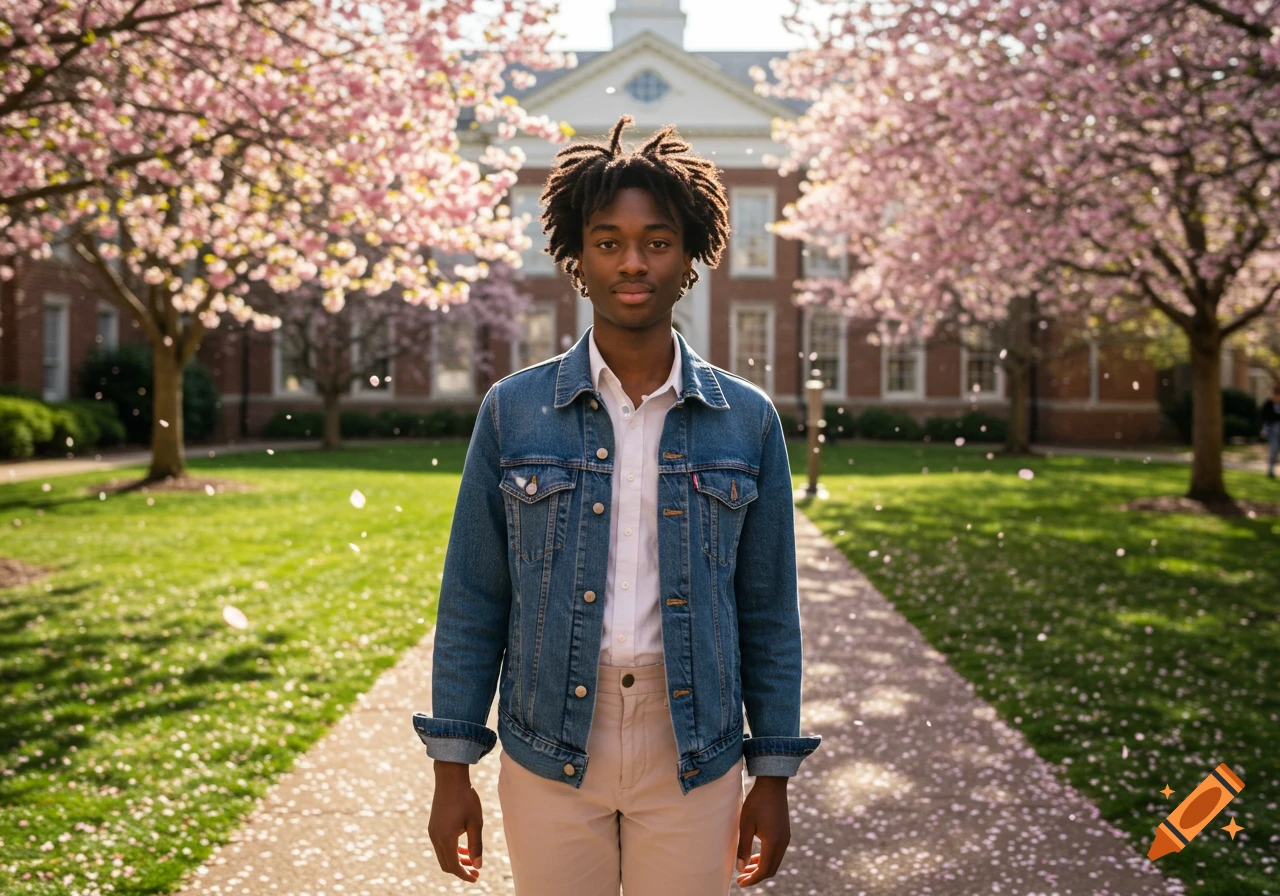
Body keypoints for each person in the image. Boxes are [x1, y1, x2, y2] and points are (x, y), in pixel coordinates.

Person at [412, 114, 821, 895]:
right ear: (577, 258)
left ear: (690, 256)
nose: (633, 262)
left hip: (693, 749)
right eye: (609, 241)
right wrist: (451, 766)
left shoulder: (747, 420)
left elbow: (768, 611)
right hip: (550, 743)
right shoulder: (512, 412)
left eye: (657, 241)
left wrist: (771, 775)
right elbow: (472, 598)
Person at [1263, 381, 1280, 479]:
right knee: (1273, 449)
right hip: (1273, 429)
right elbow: (1265, 415)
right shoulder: (1269, 402)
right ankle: (1270, 471)